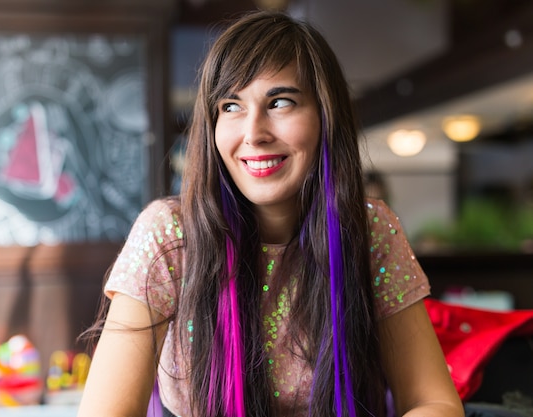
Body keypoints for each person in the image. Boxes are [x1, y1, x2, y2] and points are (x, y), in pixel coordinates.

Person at [77, 10, 464, 417]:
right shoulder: (169, 233)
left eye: (280, 102)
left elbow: (433, 401)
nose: (254, 132)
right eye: (231, 106)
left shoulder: (369, 230)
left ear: (325, 116)